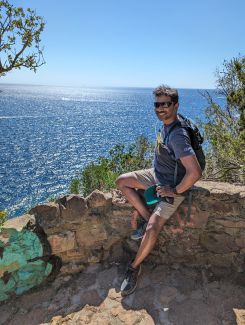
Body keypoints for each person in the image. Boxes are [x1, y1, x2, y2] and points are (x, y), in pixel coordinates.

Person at [116, 85, 202, 296]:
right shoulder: (169, 123)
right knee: (122, 181)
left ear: (176, 105)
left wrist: (174, 190)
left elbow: (195, 172)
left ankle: (134, 268)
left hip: (171, 185)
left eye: (166, 104)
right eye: (157, 104)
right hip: (158, 175)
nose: (161, 108)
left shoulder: (177, 135)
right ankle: (146, 216)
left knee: (153, 228)